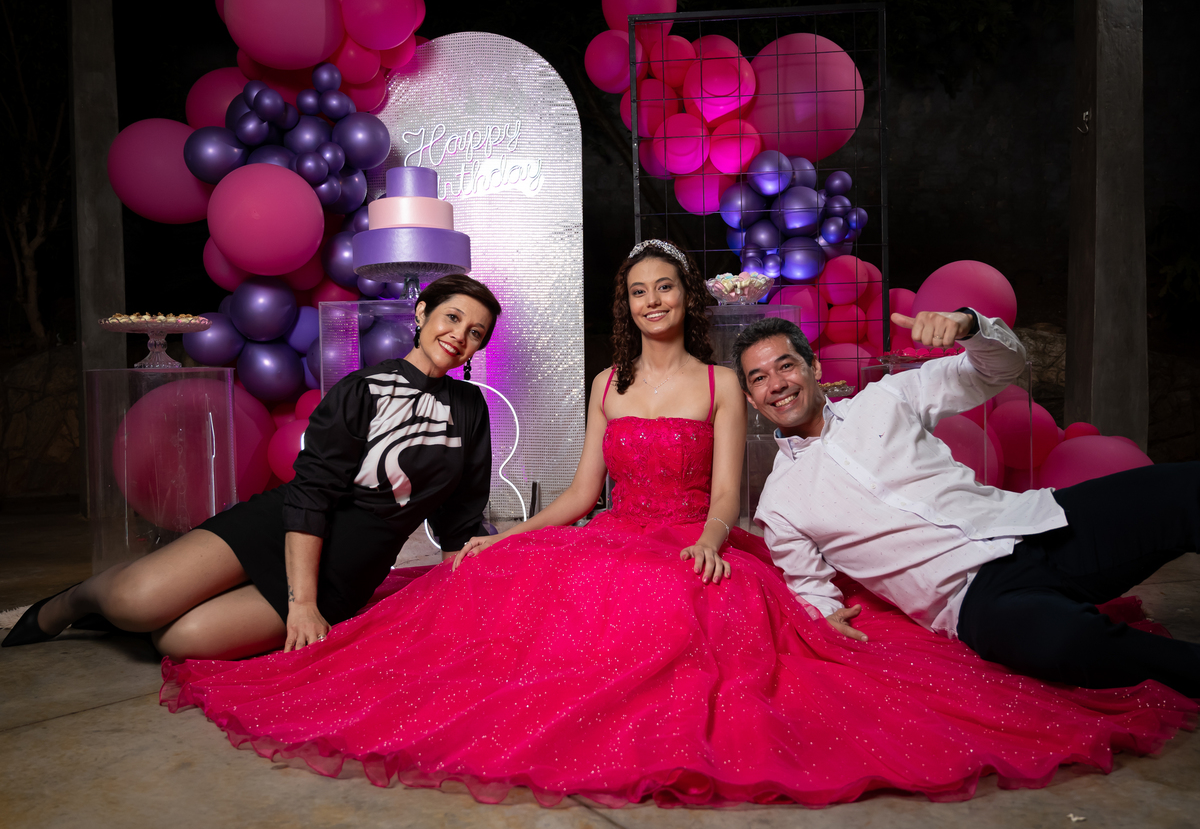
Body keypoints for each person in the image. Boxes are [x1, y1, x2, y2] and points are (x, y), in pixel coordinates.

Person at [155, 243, 1192, 808]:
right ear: (626, 304)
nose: (651, 299)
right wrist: (501, 539)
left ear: (686, 300)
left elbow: (729, 497)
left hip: (701, 534)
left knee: (687, 611)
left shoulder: (726, 382)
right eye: (637, 289)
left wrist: (708, 534)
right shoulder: (609, 384)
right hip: (617, 532)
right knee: (514, 601)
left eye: (664, 287)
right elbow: (577, 498)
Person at [3, 274, 501, 661]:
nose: (459, 335)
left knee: (178, 639)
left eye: (474, 332)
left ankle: (150, 609)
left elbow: (459, 519)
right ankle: (74, 602)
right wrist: (300, 605)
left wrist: (455, 607)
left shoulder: (472, 410)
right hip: (282, 525)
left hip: (347, 569)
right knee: (136, 602)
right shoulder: (362, 388)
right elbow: (312, 494)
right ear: (422, 312)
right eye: (452, 317)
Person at [736, 309, 1200, 697]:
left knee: (1184, 487)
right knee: (1069, 643)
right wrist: (822, 617)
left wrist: (970, 326)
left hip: (1037, 524)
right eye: (759, 378)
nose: (776, 383)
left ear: (814, 368)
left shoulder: (888, 396)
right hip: (975, 599)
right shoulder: (779, 502)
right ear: (752, 400)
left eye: (786, 366)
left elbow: (997, 370)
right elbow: (809, 587)